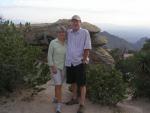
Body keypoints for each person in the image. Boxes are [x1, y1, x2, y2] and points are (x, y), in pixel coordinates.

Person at [65, 15, 92, 113]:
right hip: (70, 62)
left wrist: (84, 60)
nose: (75, 23)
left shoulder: (85, 32)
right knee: (73, 82)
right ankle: (74, 98)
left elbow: (87, 47)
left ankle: (82, 104)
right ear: (71, 23)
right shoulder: (69, 32)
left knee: (82, 84)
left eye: (77, 21)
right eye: (73, 21)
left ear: (80, 22)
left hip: (80, 62)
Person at [48, 26, 66, 113]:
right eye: (60, 32)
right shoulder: (53, 42)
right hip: (55, 67)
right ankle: (59, 105)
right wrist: (52, 66)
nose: (61, 33)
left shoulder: (66, 43)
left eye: (63, 32)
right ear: (57, 33)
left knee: (59, 85)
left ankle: (55, 97)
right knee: (58, 85)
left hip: (64, 68)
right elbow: (49, 56)